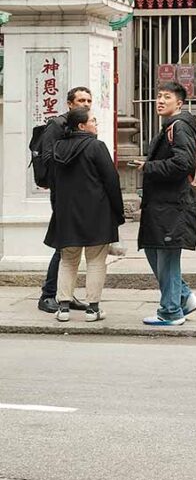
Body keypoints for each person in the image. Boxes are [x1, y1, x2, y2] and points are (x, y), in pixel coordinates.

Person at [45, 108, 125, 323]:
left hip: (66, 214)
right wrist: (118, 213)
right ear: (81, 126)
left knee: (68, 260)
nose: (96, 125)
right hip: (96, 214)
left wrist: (58, 210)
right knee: (96, 261)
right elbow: (112, 181)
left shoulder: (58, 148)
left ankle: (63, 307)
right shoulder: (96, 147)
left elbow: (54, 183)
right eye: (93, 121)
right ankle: (93, 309)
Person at [135, 80, 196, 327]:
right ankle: (183, 297)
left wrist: (148, 166)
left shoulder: (179, 127)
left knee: (166, 258)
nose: (160, 101)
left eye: (167, 97)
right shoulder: (170, 127)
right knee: (156, 253)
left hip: (173, 206)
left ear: (180, 103)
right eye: (159, 96)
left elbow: (184, 163)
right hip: (163, 205)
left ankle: (171, 311)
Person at [36, 86, 94, 315]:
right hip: (63, 195)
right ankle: (48, 294)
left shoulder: (84, 126)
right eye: (81, 100)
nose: (86, 104)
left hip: (80, 195)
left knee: (73, 246)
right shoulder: (57, 125)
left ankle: (65, 294)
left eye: (89, 100)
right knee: (64, 244)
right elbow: (49, 158)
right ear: (70, 104)